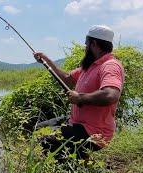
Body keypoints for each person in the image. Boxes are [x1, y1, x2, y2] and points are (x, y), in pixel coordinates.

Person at [33, 25, 125, 159]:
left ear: (94, 44)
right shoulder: (89, 66)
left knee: (47, 138)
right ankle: (75, 158)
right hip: (77, 122)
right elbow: (66, 79)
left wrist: (80, 98)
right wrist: (45, 60)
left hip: (95, 133)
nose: (85, 47)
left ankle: (69, 167)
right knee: (39, 129)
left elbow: (111, 94)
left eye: (86, 44)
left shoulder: (110, 65)